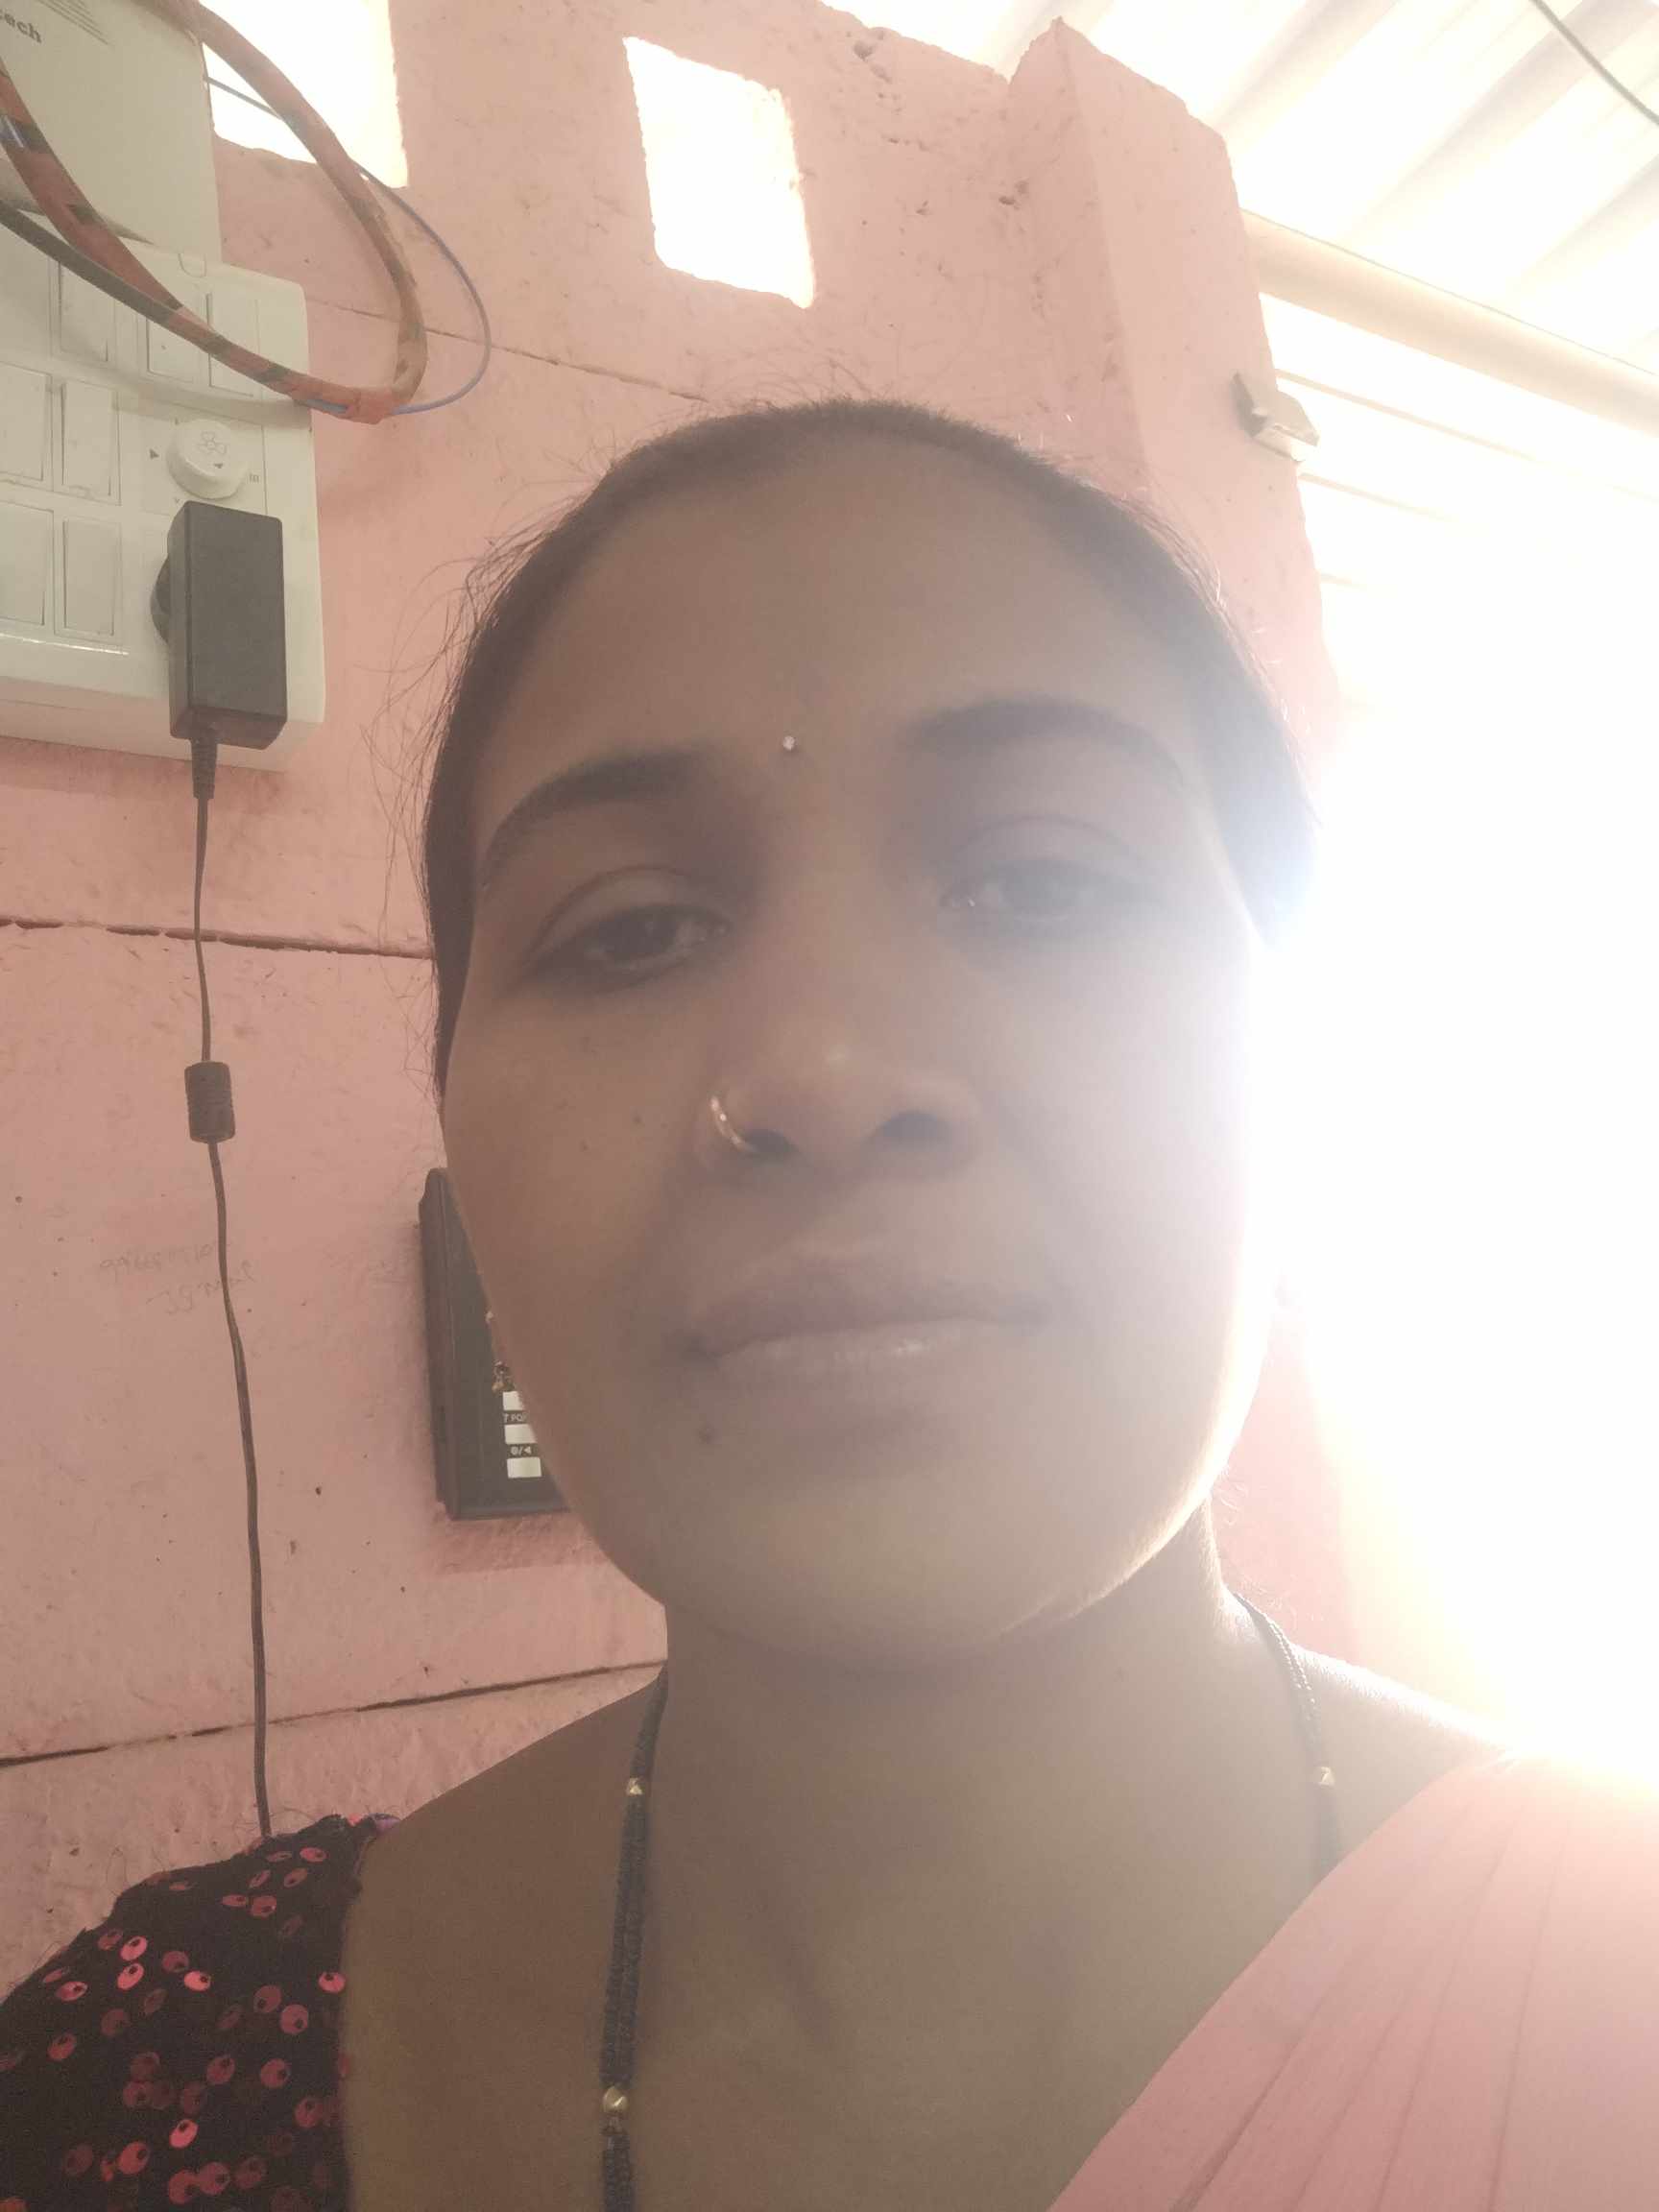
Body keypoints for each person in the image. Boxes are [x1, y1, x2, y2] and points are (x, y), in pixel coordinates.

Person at [3, 397, 1655, 2212]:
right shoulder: (139, 2070)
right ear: (462, 1133)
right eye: (628, 929)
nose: (822, 1073)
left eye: (1040, 880)